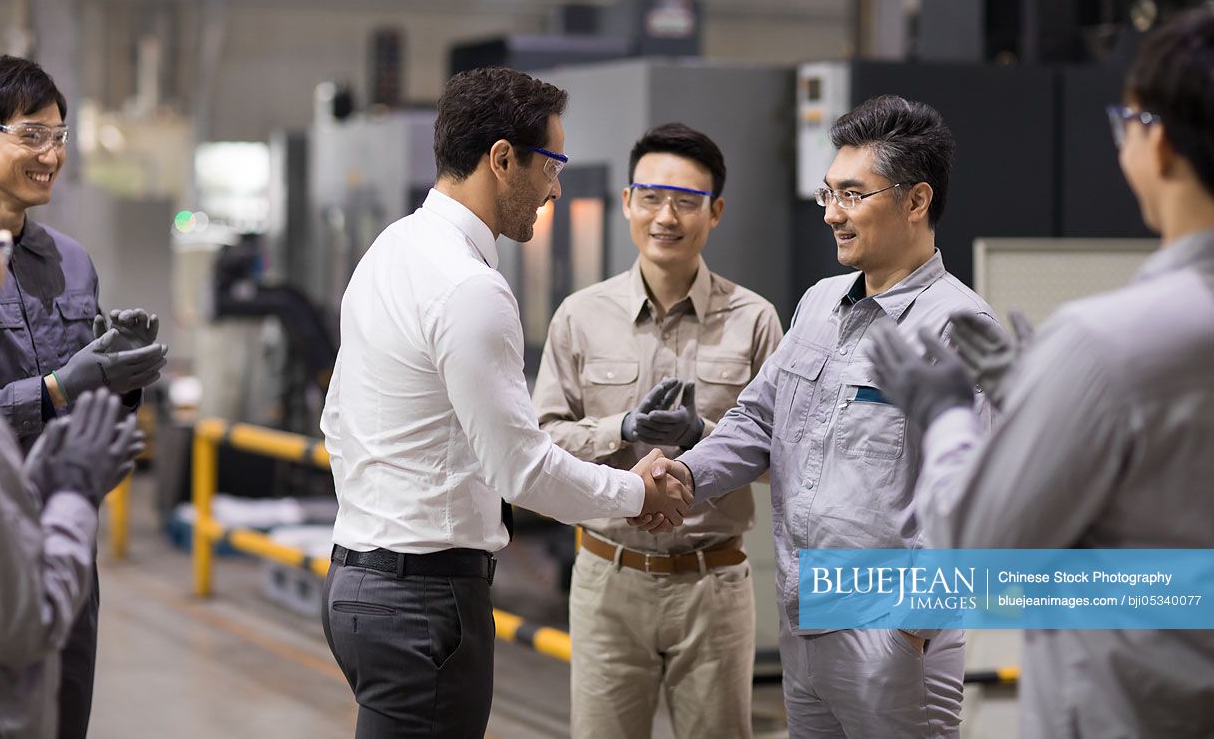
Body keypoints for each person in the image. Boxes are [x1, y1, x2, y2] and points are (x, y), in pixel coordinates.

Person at [866, 6, 1214, 739]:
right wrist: (1046, 401)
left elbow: (979, 557)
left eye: (1129, 120)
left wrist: (947, 415)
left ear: (1161, 145)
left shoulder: (1106, 343)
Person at [320, 66, 694, 738]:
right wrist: (637, 493)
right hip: (423, 600)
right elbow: (520, 468)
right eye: (550, 164)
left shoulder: (390, 250)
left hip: (358, 585)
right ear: (500, 159)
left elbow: (337, 421)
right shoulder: (469, 288)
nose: (554, 189)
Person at [638, 95, 998, 738]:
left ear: (917, 201)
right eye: (827, 194)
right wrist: (685, 475)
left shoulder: (959, 329)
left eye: (853, 195)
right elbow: (756, 422)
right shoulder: (820, 303)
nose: (833, 213)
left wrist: (911, 629)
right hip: (804, 619)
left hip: (889, 638)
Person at [531, 122, 783, 739]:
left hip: (714, 585)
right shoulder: (580, 316)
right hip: (607, 580)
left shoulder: (754, 320)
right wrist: (621, 427)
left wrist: (707, 435)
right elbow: (541, 440)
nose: (665, 216)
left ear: (715, 211)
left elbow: (787, 454)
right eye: (651, 197)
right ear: (626, 202)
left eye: (687, 202)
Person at [0, 54, 167, 739]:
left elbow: (85, 406)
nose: (51, 154)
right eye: (31, 135)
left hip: (65, 543)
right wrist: (54, 387)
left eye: (59, 135)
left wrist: (119, 378)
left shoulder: (73, 262)